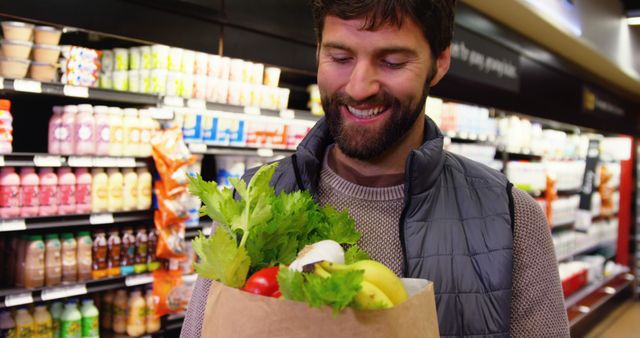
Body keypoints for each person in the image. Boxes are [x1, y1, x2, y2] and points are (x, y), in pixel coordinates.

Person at [181, 0, 570, 337]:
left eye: (392, 61)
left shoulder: (511, 217)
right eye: (340, 57)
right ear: (317, 51)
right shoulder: (251, 203)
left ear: (439, 63)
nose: (359, 86)